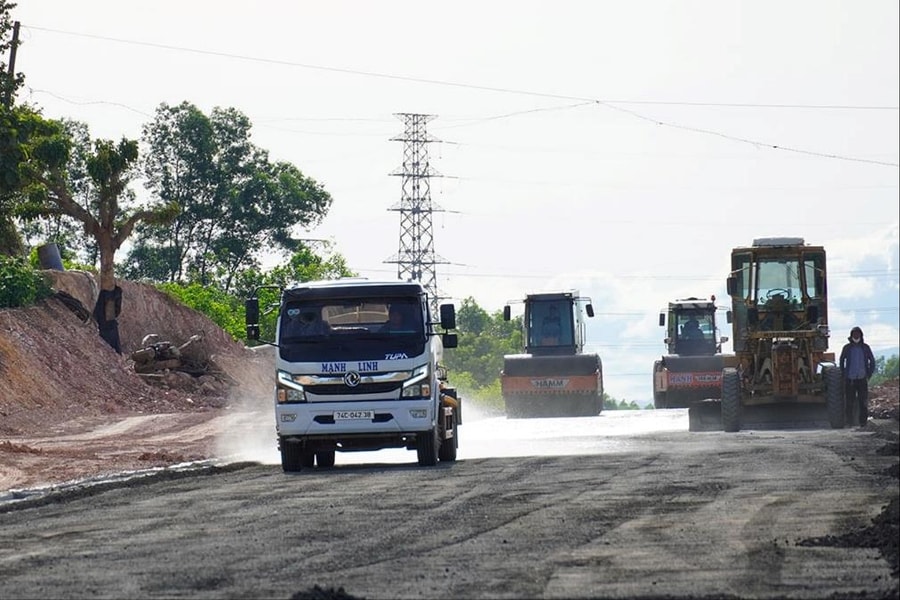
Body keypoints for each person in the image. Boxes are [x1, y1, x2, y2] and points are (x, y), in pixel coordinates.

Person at [839, 326, 876, 427]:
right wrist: (844, 373)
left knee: (863, 402)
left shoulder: (865, 347)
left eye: (858, 334)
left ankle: (863, 422)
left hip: (862, 378)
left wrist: (869, 374)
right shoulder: (847, 348)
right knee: (849, 402)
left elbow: (872, 361)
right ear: (851, 336)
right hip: (850, 379)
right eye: (854, 334)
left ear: (861, 335)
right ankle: (849, 422)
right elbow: (842, 361)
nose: (856, 335)